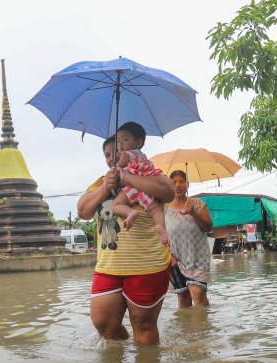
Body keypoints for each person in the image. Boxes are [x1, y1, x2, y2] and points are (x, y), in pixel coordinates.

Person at [77, 135, 175, 345]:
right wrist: (106, 187)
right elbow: (83, 211)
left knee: (144, 324)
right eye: (107, 154)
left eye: (117, 152)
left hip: (147, 264)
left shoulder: (150, 174)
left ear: (131, 150)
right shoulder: (100, 183)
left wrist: (127, 178)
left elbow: (168, 191)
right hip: (108, 266)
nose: (112, 157)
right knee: (103, 324)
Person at [110, 122, 169, 245]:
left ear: (138, 143)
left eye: (125, 139)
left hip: (131, 187)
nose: (120, 144)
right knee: (156, 210)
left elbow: (117, 167)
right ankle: (160, 227)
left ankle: (130, 212)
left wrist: (114, 165)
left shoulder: (127, 154)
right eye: (119, 140)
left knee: (116, 205)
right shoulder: (143, 156)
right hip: (146, 187)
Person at [165, 170, 213, 307]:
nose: (178, 185)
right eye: (174, 182)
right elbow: (159, 234)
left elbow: (208, 227)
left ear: (187, 185)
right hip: (175, 259)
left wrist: (193, 213)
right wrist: (169, 256)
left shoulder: (197, 203)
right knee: (183, 299)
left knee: (199, 295)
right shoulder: (164, 208)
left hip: (197, 257)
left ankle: (203, 328)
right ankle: (186, 328)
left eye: (182, 181)